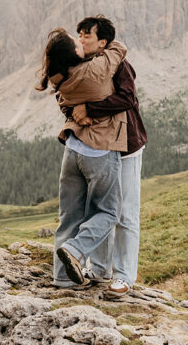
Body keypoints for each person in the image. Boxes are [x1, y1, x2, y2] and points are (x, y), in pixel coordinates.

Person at [35, 28, 128, 287]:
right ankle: (76, 249)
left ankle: (62, 279)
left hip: (72, 150)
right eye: (78, 42)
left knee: (70, 216)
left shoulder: (59, 77)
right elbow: (119, 49)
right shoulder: (94, 70)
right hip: (99, 151)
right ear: (75, 52)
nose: (82, 42)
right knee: (109, 212)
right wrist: (100, 45)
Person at [68, 16, 147, 296]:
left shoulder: (120, 64)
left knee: (125, 213)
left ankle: (124, 275)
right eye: (78, 33)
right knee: (100, 208)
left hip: (126, 148)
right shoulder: (81, 64)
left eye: (86, 34)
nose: (80, 38)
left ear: (103, 42)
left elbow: (127, 98)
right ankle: (99, 270)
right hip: (100, 149)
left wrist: (90, 109)